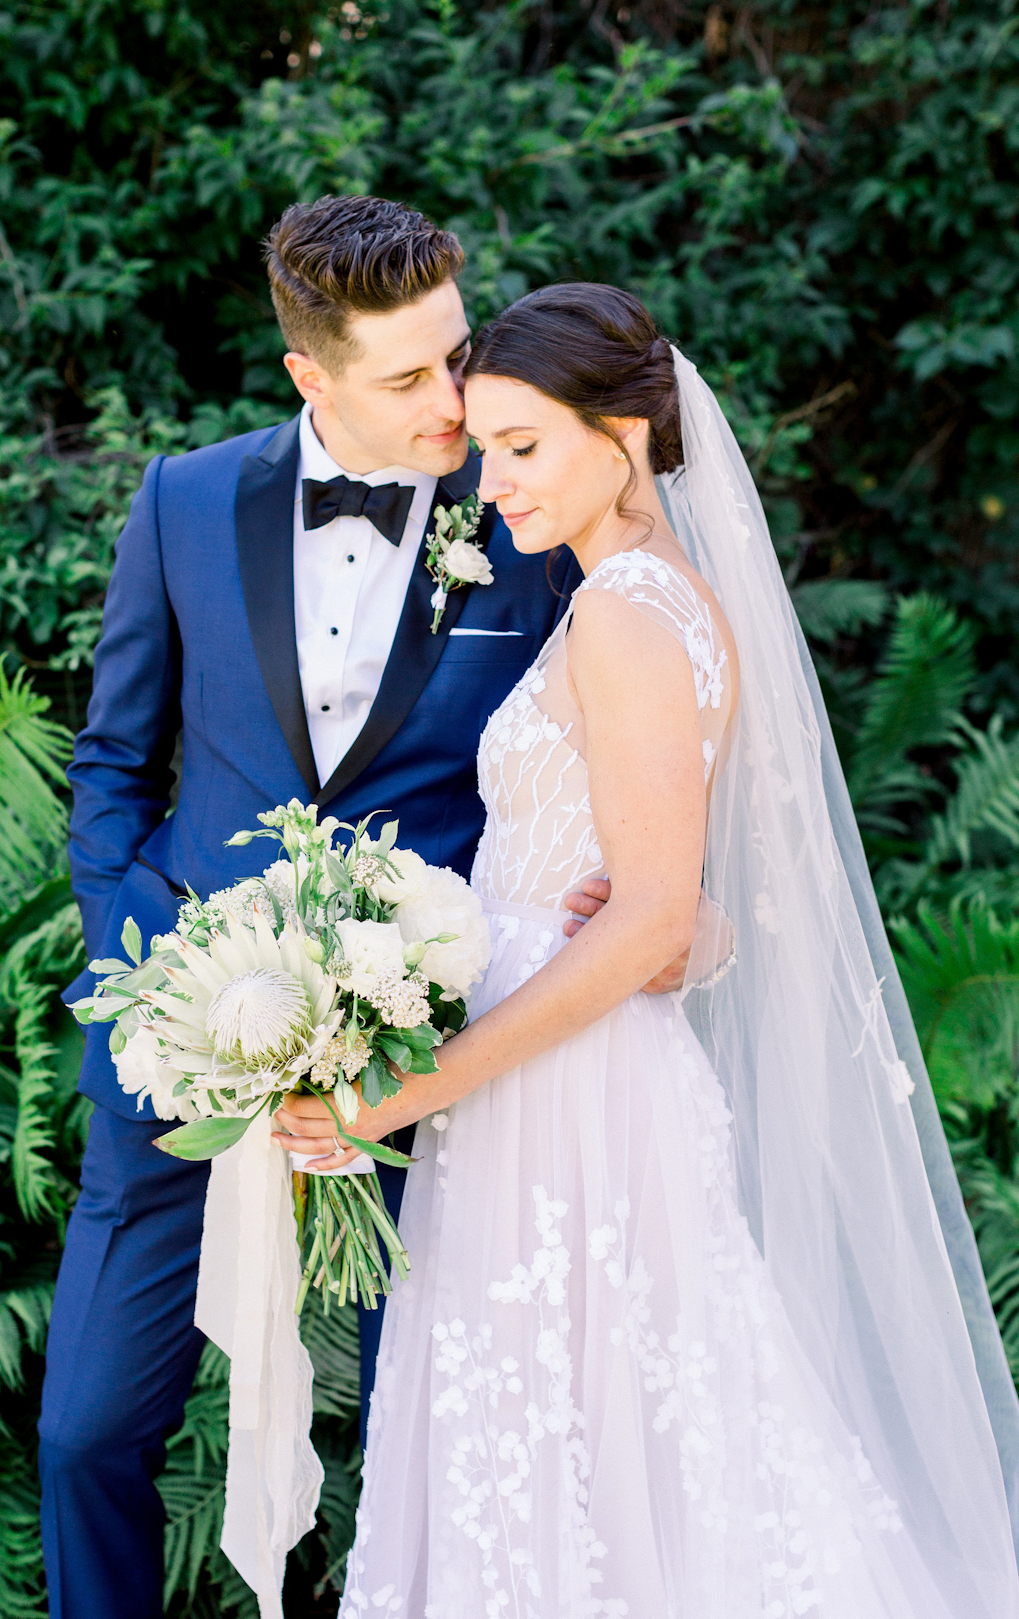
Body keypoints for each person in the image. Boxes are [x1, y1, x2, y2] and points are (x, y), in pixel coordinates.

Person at [278, 284, 1019, 1617]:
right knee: (621, 1472)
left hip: (568, 1110)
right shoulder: (660, 597)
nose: (489, 480)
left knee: (608, 1473)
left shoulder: (626, 610)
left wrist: (404, 1089)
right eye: (485, 447)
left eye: (521, 446)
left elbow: (655, 915)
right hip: (566, 1090)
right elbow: (673, 895)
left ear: (621, 431)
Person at [39, 200, 667, 1619]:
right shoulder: (184, 501)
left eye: (457, 354)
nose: (455, 401)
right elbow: (113, 759)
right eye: (407, 378)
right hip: (180, 1039)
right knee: (84, 1431)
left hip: (434, 1053)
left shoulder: (528, 505)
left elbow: (632, 719)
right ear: (308, 377)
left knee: (434, 1433)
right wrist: (154, 974)